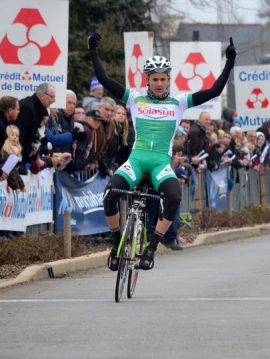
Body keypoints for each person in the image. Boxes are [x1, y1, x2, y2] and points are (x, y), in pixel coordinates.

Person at [89, 29, 236, 271]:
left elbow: (214, 91)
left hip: (160, 164)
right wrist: (93, 49)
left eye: (163, 79)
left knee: (174, 197)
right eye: (154, 79)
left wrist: (229, 62)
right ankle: (116, 244)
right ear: (147, 80)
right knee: (110, 193)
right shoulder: (135, 99)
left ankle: (151, 248)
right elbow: (105, 80)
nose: (159, 83)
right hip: (136, 160)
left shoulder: (178, 102)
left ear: (168, 79)